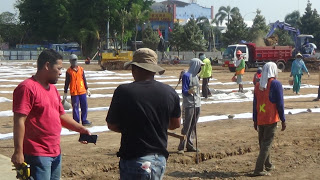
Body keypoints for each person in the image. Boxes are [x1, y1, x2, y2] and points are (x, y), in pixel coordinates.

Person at [11, 49, 91, 180]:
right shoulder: (27, 88)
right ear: (47, 66)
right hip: (37, 154)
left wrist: (80, 129)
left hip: (55, 152)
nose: (61, 73)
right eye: (58, 68)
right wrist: (18, 152)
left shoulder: (52, 89)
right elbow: (19, 121)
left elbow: (61, 116)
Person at [106, 48, 181, 180]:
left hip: (134, 158)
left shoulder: (123, 91)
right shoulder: (170, 92)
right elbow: (175, 124)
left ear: (135, 69)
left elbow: (112, 124)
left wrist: (131, 128)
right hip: (158, 159)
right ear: (154, 70)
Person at [253, 62, 286, 176]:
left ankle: (268, 164)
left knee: (263, 143)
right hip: (271, 118)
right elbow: (280, 103)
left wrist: (255, 120)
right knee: (266, 144)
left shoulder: (258, 85)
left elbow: (255, 103)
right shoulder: (276, 84)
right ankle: (258, 169)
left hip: (261, 118)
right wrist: (283, 119)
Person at [178, 58, 204, 154]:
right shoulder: (186, 76)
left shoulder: (196, 76)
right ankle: (181, 146)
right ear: (195, 65)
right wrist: (189, 91)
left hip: (197, 103)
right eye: (200, 66)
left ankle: (190, 144)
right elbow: (184, 91)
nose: (200, 68)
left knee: (193, 125)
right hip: (189, 104)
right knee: (186, 125)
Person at [64, 54, 92, 126]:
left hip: (82, 91)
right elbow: (67, 82)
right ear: (70, 61)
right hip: (74, 92)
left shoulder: (81, 69)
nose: (74, 62)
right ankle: (76, 121)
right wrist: (65, 92)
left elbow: (84, 79)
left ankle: (84, 120)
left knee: (84, 106)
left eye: (75, 60)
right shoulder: (69, 71)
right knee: (75, 107)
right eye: (73, 60)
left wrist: (87, 89)